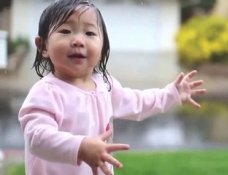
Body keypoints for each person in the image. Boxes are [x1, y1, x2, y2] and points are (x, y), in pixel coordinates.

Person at [18, 0, 207, 175]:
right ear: (43, 46)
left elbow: (138, 102)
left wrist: (171, 94)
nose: (78, 40)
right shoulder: (46, 92)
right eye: (65, 31)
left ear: (102, 50)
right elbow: (37, 138)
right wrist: (80, 146)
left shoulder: (104, 85)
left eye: (90, 33)